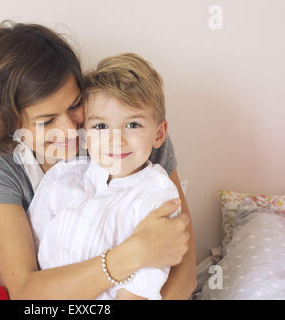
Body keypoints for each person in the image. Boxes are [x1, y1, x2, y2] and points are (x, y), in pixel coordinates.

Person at [0, 20, 196, 300]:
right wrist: (131, 255)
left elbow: (184, 276)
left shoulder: (130, 138)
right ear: (12, 124)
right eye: (47, 120)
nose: (69, 129)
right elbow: (23, 288)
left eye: (75, 105)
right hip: (41, 298)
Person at [29, 53, 182, 300]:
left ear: (159, 134)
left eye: (133, 125)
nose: (116, 140)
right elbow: (31, 255)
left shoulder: (157, 194)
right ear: (85, 133)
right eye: (101, 127)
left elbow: (143, 283)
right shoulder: (63, 179)